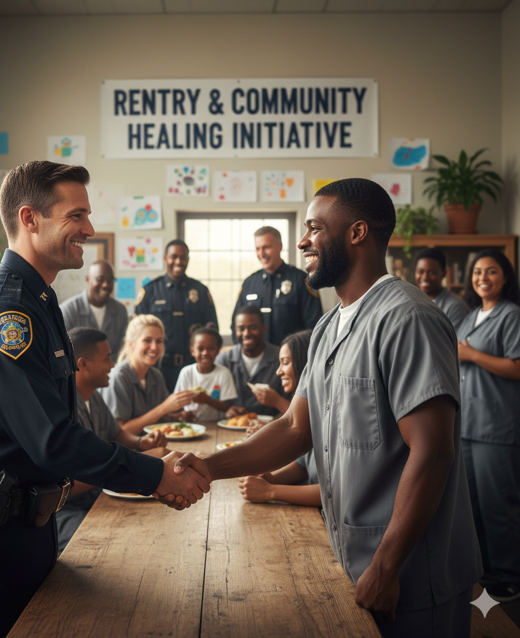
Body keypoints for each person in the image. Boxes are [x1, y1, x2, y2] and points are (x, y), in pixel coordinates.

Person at [174, 178, 482, 637]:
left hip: (411, 574)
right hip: (353, 560)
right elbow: (296, 429)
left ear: (357, 233)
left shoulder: (407, 319)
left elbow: (433, 451)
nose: (301, 242)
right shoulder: (325, 330)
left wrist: (386, 564)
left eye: (314, 228)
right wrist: (205, 467)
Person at [0, 161, 209, 638]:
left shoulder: (39, 302)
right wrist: (156, 474)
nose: (90, 228)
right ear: (30, 219)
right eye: (76, 216)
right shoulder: (7, 310)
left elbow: (66, 426)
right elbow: (52, 439)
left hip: (30, 522)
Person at [56, 327, 168, 552]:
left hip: (100, 497)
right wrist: (139, 459)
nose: (113, 365)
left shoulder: (93, 396)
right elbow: (68, 485)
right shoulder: (61, 407)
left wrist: (140, 442)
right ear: (83, 364)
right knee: (113, 545)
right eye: (107, 358)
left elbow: (115, 433)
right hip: (66, 512)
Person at [456, 249, 520, 602]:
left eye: (491, 271)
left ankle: (511, 576)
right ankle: (485, 570)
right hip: (467, 424)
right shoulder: (471, 317)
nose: (482, 277)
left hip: (496, 426)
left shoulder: (511, 316)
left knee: (499, 503)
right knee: (473, 504)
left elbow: (517, 366)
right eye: (477, 271)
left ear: (505, 277)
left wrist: (473, 355)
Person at [239, 330, 321, 508]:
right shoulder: (309, 406)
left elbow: (334, 492)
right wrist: (272, 478)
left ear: (306, 365)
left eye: (285, 363)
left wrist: (271, 491)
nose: (278, 371)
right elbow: (303, 466)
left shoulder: (326, 413)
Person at [135, 239, 218, 392]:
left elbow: (212, 329)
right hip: (159, 367)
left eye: (183, 257)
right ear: (165, 258)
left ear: (188, 260)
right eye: (174, 257)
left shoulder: (200, 291)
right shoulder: (150, 291)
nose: (178, 261)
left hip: (193, 367)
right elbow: (136, 332)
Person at [100, 314, 199, 435]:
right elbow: (121, 432)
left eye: (159, 341)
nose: (154, 347)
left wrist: (175, 417)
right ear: (130, 344)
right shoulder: (118, 378)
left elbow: (158, 418)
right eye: (147, 340)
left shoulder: (156, 375)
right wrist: (164, 408)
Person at [231, 226, 322, 346]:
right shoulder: (249, 284)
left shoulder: (301, 280)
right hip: (257, 360)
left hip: (292, 359)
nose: (261, 254)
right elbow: (236, 325)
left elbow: (314, 326)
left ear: (279, 246)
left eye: (266, 247)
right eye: (258, 249)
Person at [216, 305, 287, 418]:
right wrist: (226, 411)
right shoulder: (223, 360)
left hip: (271, 427)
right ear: (235, 331)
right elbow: (214, 400)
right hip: (231, 426)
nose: (246, 333)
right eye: (241, 329)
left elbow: (295, 407)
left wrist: (276, 400)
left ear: (263, 328)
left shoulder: (281, 358)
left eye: (252, 327)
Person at [60, 259, 128, 361]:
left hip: (112, 372)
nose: (106, 285)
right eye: (100, 279)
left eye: (110, 280)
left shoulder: (120, 311)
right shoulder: (68, 310)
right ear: (88, 279)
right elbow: (64, 351)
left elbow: (122, 351)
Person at [173, 323, 238, 422]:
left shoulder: (223, 373)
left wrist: (208, 400)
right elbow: (177, 403)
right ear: (192, 351)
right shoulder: (186, 372)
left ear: (218, 350)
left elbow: (226, 406)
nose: (205, 353)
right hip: (192, 425)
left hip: (217, 425)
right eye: (200, 349)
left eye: (211, 348)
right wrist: (183, 414)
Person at [414, 247, 469, 330]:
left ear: (443, 273)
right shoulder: (412, 301)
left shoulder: (455, 306)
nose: (425, 277)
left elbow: (454, 341)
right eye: (420, 272)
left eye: (432, 272)